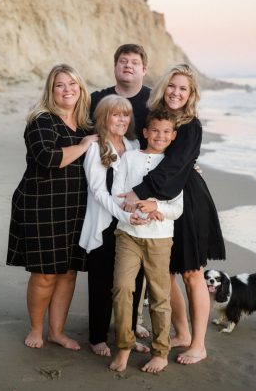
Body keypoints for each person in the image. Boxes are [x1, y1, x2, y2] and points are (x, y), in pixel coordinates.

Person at [120, 64, 226, 365]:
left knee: (193, 273)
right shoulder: (150, 116)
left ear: (191, 95)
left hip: (188, 201)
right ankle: (180, 333)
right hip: (158, 197)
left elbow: (174, 166)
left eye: (183, 89)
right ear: (163, 87)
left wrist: (138, 192)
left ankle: (199, 344)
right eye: (172, 86)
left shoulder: (191, 125)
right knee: (164, 273)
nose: (176, 92)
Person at [6, 64, 98, 350]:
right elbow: (47, 157)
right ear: (51, 90)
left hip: (76, 206)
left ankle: (57, 331)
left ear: (81, 88)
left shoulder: (86, 124)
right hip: (40, 204)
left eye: (72, 83)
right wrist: (83, 147)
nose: (67, 89)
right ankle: (36, 329)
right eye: (60, 85)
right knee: (45, 272)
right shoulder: (41, 120)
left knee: (68, 271)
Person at [109, 109, 184, 373]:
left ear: (174, 136)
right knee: (122, 288)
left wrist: (156, 207)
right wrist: (131, 214)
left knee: (159, 296)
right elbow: (117, 193)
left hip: (160, 239)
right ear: (145, 132)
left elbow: (177, 208)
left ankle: (160, 351)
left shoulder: (174, 166)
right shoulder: (130, 158)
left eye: (166, 132)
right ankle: (124, 346)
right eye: (155, 130)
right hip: (128, 235)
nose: (160, 136)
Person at [79, 95, 149, 357]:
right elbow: (98, 191)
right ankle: (97, 337)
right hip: (105, 223)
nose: (121, 120)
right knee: (102, 282)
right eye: (115, 114)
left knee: (133, 281)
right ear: (104, 117)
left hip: (132, 224)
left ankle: (127, 335)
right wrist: (124, 214)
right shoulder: (96, 147)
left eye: (126, 115)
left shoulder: (133, 145)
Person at [90, 43, 151, 338]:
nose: (128, 66)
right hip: (105, 213)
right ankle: (99, 334)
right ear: (115, 66)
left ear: (144, 69)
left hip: (133, 207)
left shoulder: (151, 104)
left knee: (133, 275)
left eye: (134, 62)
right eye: (123, 61)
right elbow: (99, 189)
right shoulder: (97, 100)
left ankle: (129, 324)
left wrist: (190, 164)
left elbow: (161, 146)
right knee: (102, 275)